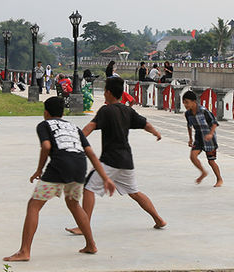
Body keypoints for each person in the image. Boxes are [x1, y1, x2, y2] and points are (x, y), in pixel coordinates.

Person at [3, 97, 116, 262]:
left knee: (34, 205)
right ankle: (91, 245)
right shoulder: (73, 127)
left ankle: (24, 251)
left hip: (59, 165)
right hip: (79, 166)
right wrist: (106, 178)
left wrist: (39, 170)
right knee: (73, 204)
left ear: (45, 113)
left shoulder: (44, 125)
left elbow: (47, 146)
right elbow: (90, 152)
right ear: (63, 113)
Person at [66, 78, 166, 234]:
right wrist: (156, 133)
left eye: (105, 91)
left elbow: (90, 126)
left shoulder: (106, 110)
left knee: (88, 188)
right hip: (126, 161)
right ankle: (159, 219)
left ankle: (83, 226)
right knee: (135, 192)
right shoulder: (128, 110)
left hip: (110, 161)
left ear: (108, 93)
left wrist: (77, 143)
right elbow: (144, 123)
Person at [183, 90, 223, 186]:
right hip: (198, 138)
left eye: (187, 102)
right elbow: (189, 126)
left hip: (209, 139)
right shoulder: (187, 114)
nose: (185, 105)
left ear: (194, 101)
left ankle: (219, 179)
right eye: (184, 102)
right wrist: (190, 139)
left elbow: (214, 123)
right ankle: (203, 172)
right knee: (193, 156)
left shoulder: (204, 111)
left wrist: (210, 134)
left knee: (211, 161)